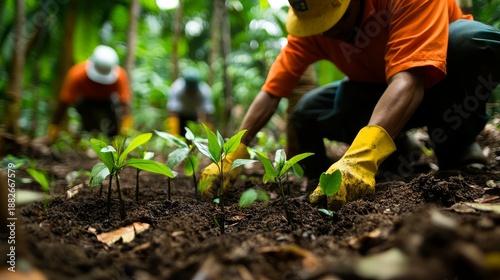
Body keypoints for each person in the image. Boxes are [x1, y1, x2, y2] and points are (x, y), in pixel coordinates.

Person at [200, 0, 500, 210]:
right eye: (318, 25)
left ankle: (456, 146)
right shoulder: (314, 25)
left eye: (334, 21)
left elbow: (410, 79)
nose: (327, 31)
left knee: (471, 42)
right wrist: (232, 151)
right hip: (381, 93)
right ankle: (396, 153)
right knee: (309, 110)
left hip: (437, 82)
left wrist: (362, 158)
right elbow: (271, 92)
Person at [48, 45, 133, 141]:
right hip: (86, 102)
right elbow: (64, 103)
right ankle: (89, 137)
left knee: (114, 121)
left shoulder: (120, 76)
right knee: (90, 126)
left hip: (108, 102)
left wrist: (126, 126)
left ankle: (114, 142)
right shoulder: (77, 73)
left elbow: (125, 103)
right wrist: (54, 127)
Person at [165, 68, 215, 136]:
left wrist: (209, 135)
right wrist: (173, 133)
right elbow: (173, 112)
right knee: (181, 136)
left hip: (195, 116)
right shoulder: (176, 88)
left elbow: (208, 115)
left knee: (193, 137)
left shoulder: (205, 91)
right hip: (181, 115)